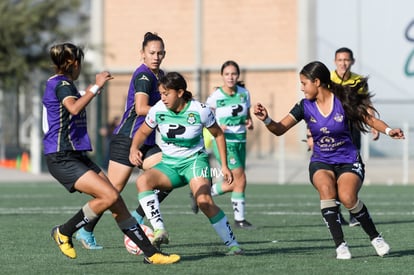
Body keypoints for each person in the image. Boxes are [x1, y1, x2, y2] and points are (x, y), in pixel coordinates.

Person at [43, 42, 180, 264]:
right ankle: (64, 232)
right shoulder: (61, 84)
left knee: (115, 201)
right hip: (61, 156)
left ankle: (152, 254)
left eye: (160, 52)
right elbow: (74, 108)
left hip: (75, 154)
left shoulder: (64, 84)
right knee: (110, 195)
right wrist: (95, 87)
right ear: (74, 64)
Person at [254, 61, 404, 259]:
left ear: (317, 82)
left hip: (348, 159)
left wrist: (388, 130)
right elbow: (280, 129)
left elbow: (369, 118)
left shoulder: (343, 100)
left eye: (304, 83)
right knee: (326, 191)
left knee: (347, 197)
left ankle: (375, 237)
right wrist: (266, 119)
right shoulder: (304, 106)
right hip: (321, 160)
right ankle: (341, 245)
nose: (301, 87)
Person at [75, 32, 172, 249]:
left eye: (160, 53)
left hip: (145, 141)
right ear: (142, 54)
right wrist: (172, 112)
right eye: (151, 53)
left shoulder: (160, 75)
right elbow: (140, 109)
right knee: (110, 192)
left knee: (168, 176)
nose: (156, 56)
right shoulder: (144, 76)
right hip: (126, 140)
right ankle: (85, 229)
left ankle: (138, 218)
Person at [129, 71, 244, 255]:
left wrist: (223, 166)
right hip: (169, 165)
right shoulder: (158, 109)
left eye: (167, 93)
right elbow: (142, 132)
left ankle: (233, 245)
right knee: (142, 182)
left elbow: (218, 134)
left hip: (194, 162)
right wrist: (134, 148)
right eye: (161, 93)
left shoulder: (200, 110)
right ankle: (160, 230)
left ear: (180, 92)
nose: (163, 98)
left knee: (204, 201)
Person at [306, 47, 380, 227]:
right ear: (334, 62)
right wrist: (310, 134)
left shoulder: (358, 81)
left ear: (352, 61)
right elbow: (313, 108)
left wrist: (374, 124)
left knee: (350, 170)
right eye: (340, 60)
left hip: (351, 129)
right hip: (329, 132)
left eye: (346, 60)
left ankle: (353, 209)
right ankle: (335, 211)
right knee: (330, 172)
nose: (343, 63)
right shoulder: (327, 79)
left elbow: (365, 104)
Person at [204, 60, 254, 228]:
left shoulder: (244, 93)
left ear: (238, 75)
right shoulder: (216, 96)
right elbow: (204, 117)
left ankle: (202, 193)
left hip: (241, 139)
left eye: (233, 74)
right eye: (227, 74)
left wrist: (249, 122)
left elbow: (247, 114)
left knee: (237, 181)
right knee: (240, 178)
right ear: (222, 76)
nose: (230, 77)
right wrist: (218, 127)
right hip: (224, 142)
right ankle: (239, 220)